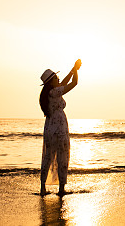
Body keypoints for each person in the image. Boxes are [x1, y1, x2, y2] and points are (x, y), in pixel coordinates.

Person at [39, 59, 82, 196]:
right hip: (59, 129)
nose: (58, 79)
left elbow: (63, 83)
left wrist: (73, 70)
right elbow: (73, 83)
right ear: (51, 81)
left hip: (49, 128)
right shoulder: (55, 92)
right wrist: (75, 71)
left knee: (48, 157)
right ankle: (61, 189)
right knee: (62, 157)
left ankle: (43, 188)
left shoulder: (48, 93)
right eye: (56, 78)